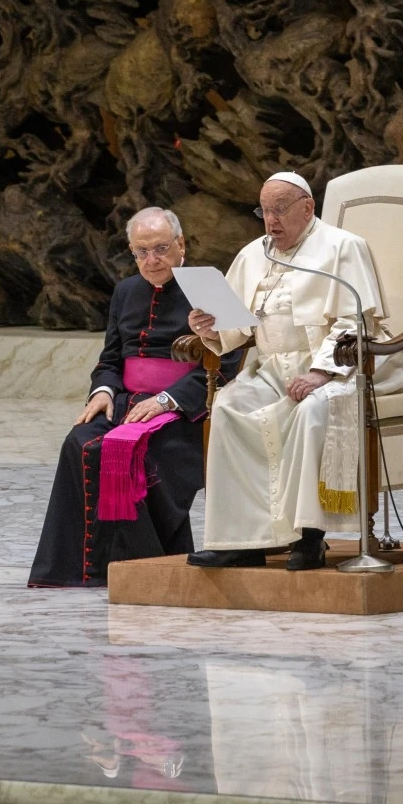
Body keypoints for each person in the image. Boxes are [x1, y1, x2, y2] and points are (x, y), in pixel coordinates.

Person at [186, 172, 403, 570]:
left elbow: (354, 322)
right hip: (269, 368)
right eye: (264, 211)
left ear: (307, 208)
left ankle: (309, 538)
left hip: (337, 365)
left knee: (310, 410)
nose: (271, 221)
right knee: (229, 407)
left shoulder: (343, 248)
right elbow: (237, 326)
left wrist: (321, 372)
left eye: (279, 210)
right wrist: (210, 329)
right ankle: (243, 541)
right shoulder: (254, 254)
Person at [28, 208, 241, 587]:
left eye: (160, 249)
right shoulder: (126, 291)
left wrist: (165, 401)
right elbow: (110, 357)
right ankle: (79, 571)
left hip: (186, 410)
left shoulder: (211, 286)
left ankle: (146, 567)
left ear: (181, 245)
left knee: (142, 453)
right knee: (80, 443)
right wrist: (103, 391)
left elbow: (229, 360)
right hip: (127, 403)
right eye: (141, 252)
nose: (151, 260)